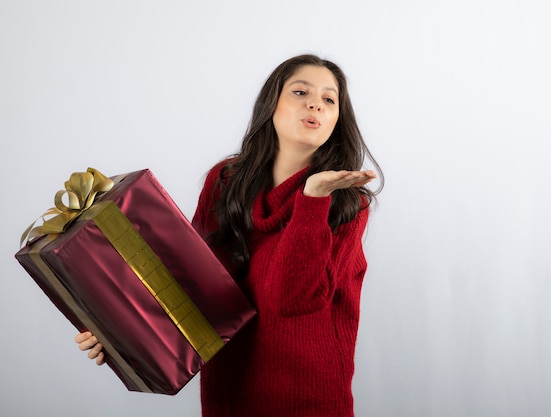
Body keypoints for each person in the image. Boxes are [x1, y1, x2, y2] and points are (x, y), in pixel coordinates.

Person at [75, 53, 383, 417]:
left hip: (308, 399)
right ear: (272, 104)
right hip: (228, 392)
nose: (315, 102)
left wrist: (313, 199)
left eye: (329, 99)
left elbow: (291, 302)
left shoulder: (346, 204)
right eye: (300, 91)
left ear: (336, 121)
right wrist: (116, 328)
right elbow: (186, 282)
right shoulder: (225, 182)